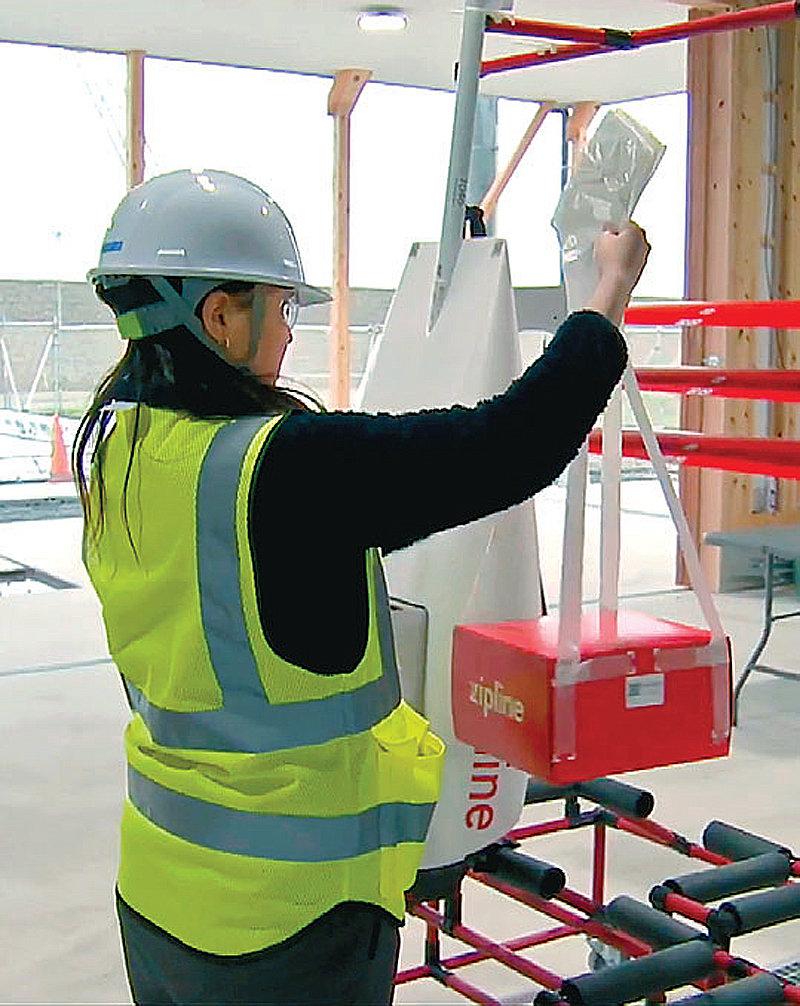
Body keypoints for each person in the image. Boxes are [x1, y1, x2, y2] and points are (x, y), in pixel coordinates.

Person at [75, 168, 649, 1006]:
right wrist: (607, 294)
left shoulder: (115, 453)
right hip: (290, 926)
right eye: (283, 309)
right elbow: (513, 443)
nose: (290, 334)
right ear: (218, 316)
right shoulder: (281, 469)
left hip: (161, 896)